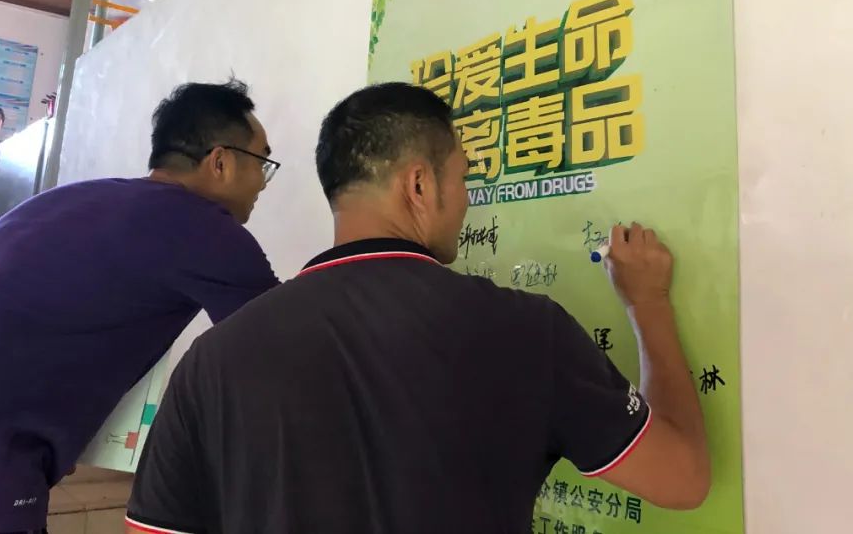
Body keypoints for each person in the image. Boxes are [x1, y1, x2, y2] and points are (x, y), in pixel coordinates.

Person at [127, 82, 710, 534]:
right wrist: (649, 303)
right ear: (420, 186)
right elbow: (683, 478)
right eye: (463, 176)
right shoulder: (528, 330)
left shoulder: (212, 360)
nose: (466, 198)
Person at [0, 80, 281, 534]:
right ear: (221, 162)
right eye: (262, 162)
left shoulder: (72, 199)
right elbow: (287, 346)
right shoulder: (204, 228)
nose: (262, 183)